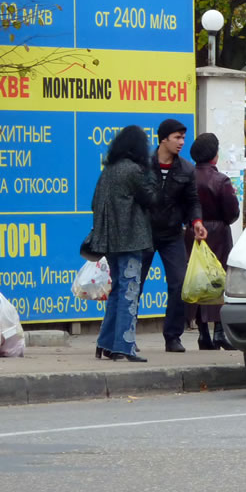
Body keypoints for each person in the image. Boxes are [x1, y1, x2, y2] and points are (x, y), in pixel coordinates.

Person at [88, 125, 160, 362]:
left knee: (118, 291)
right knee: (130, 292)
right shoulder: (133, 171)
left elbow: (93, 203)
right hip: (131, 239)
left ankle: (105, 343)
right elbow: (151, 198)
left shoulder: (107, 171)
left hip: (109, 241)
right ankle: (124, 346)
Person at [141, 118, 207, 353]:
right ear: (163, 139)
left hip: (172, 234)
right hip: (143, 233)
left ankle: (173, 337)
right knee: (134, 284)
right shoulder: (143, 165)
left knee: (179, 283)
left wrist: (196, 222)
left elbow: (192, 201)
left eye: (183, 138)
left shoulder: (186, 169)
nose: (181, 142)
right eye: (177, 138)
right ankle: (126, 335)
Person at [186, 133, 240, 350]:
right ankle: (219, 331)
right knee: (218, 279)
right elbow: (232, 211)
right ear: (214, 155)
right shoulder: (221, 180)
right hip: (217, 233)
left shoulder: (186, 176)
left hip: (192, 233)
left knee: (198, 279)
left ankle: (202, 333)